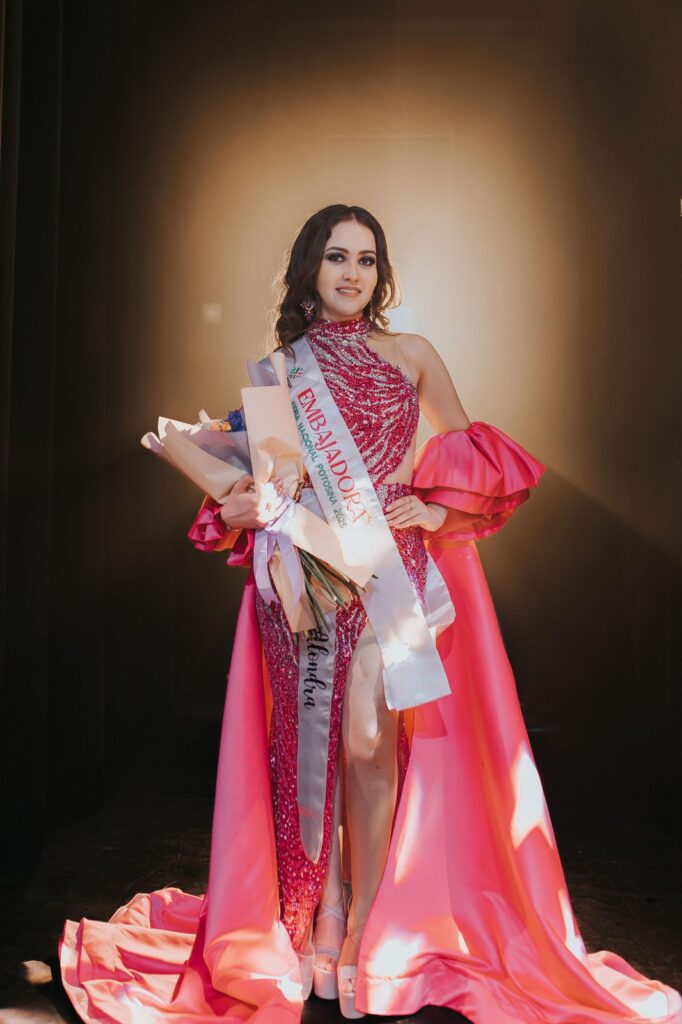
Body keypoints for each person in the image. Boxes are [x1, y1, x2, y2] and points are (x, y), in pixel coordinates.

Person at [58, 205, 682, 1024]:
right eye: (336, 257)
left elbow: (467, 448)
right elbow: (267, 479)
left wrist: (437, 509)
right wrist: (243, 499)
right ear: (309, 269)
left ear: (379, 273)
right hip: (306, 572)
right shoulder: (279, 370)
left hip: (389, 570)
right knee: (307, 746)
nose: (352, 273)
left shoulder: (411, 353)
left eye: (366, 259)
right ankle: (323, 912)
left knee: (366, 742)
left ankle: (367, 926)